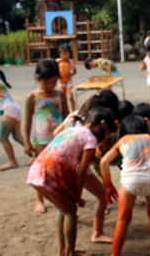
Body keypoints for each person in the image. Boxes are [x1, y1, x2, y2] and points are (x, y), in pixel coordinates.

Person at [27, 107, 115, 256]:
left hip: (37, 171)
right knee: (70, 212)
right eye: (107, 133)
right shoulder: (90, 139)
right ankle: (70, 252)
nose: (106, 137)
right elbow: (82, 171)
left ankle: (63, 251)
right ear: (102, 127)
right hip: (51, 174)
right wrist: (78, 194)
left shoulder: (72, 130)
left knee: (63, 210)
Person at [100, 114, 150, 256]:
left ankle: (115, 254)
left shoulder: (123, 141)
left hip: (130, 181)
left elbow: (104, 162)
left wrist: (109, 185)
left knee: (122, 218)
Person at [24, 58, 69, 214]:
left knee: (60, 167)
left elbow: (67, 116)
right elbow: (28, 121)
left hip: (60, 138)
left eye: (53, 82)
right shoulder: (32, 97)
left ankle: (60, 195)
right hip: (41, 138)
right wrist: (26, 142)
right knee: (41, 170)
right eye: (46, 83)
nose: (50, 86)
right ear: (38, 79)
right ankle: (39, 199)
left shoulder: (60, 94)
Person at [0, 70, 24, 171]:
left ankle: (12, 162)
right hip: (13, 108)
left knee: (2, 137)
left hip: (9, 109)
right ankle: (37, 155)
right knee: (17, 137)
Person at [56, 43, 77, 111]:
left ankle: (73, 111)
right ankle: (64, 111)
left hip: (69, 81)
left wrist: (71, 74)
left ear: (69, 54)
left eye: (66, 54)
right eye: (62, 54)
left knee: (70, 97)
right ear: (60, 54)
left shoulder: (71, 62)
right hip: (61, 81)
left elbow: (75, 71)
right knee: (61, 97)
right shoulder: (57, 61)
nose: (64, 56)